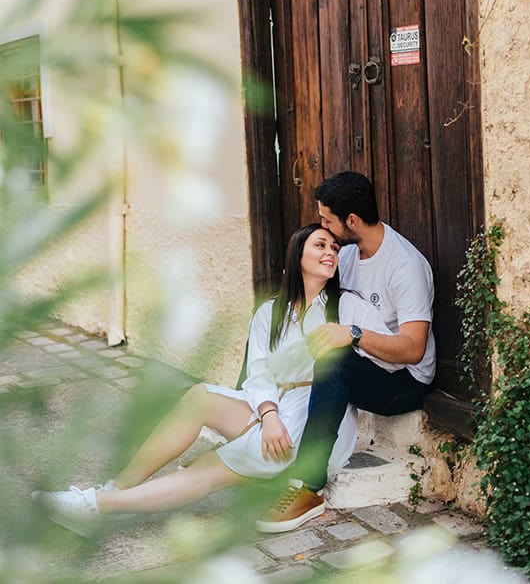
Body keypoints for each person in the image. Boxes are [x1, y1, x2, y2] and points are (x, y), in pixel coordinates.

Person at [32, 224, 361, 537]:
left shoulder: (341, 309)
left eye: (334, 247)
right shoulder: (270, 313)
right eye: (320, 245)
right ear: (297, 254)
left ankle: (97, 507)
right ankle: (116, 489)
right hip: (273, 406)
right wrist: (269, 414)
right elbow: (258, 372)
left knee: (207, 468)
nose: (330, 251)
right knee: (199, 396)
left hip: (310, 418)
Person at [256, 171, 436, 534]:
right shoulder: (348, 255)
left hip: (402, 381)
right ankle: (252, 442)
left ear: (351, 221)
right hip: (364, 363)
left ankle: (307, 487)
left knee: (334, 361)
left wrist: (353, 335)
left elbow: (414, 350)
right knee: (271, 321)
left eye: (327, 220)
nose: (321, 225)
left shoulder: (405, 266)